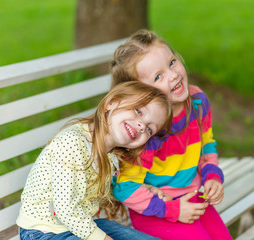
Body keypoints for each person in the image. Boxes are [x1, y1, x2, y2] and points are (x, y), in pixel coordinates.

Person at [111, 29, 233, 240]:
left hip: (193, 197)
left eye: (172, 63)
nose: (174, 74)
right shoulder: (148, 130)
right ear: (142, 93)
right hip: (156, 209)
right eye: (158, 76)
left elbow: (206, 146)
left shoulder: (197, 102)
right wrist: (172, 210)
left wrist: (212, 176)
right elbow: (125, 187)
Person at [16, 81, 173, 240]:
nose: (141, 126)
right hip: (43, 232)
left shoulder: (111, 157)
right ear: (112, 103)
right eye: (138, 111)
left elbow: (99, 190)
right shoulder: (72, 142)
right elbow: (66, 210)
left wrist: (146, 188)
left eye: (149, 129)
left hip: (82, 225)